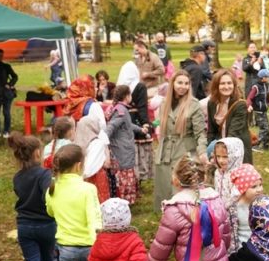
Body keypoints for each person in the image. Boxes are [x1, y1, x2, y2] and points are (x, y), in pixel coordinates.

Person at [9, 132, 57, 261]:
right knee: (48, 259)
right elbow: (49, 192)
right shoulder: (44, 174)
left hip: (25, 226)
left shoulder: (17, 177)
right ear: (38, 153)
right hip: (46, 224)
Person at [153, 71, 208, 211]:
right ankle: (166, 211)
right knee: (164, 183)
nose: (183, 86)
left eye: (186, 83)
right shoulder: (164, 103)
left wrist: (202, 152)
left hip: (184, 148)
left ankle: (183, 211)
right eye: (180, 83)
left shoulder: (193, 104)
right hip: (166, 149)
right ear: (173, 84)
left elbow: (200, 132)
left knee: (181, 181)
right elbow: (162, 128)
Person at [65, 77, 112, 203]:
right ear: (87, 88)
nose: (96, 89)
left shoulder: (71, 104)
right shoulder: (93, 105)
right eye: (93, 86)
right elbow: (101, 126)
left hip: (76, 145)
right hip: (93, 144)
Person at [104, 85, 146, 205]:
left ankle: (126, 199)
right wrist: (104, 139)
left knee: (126, 171)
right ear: (127, 96)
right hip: (122, 149)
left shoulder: (119, 109)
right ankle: (124, 200)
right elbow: (112, 126)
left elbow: (127, 124)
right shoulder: (121, 111)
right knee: (124, 173)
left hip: (124, 148)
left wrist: (140, 129)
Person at [207, 69, 252, 164]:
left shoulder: (240, 105)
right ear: (216, 85)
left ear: (234, 85)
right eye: (222, 83)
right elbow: (211, 131)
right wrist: (210, 151)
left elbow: (233, 134)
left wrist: (218, 152)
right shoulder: (212, 103)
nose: (226, 87)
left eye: (229, 83)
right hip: (219, 149)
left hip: (236, 149)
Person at [248, 68, 269, 152]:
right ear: (263, 78)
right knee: (264, 128)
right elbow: (250, 98)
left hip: (264, 111)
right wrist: (249, 105)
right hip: (258, 111)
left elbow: (267, 97)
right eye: (268, 77)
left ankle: (266, 145)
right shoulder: (256, 87)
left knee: (267, 128)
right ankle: (256, 145)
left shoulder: (266, 85)